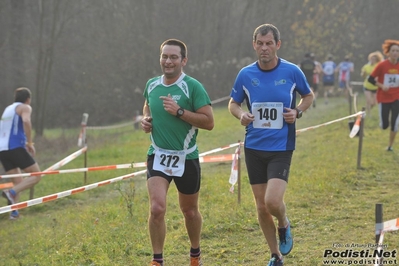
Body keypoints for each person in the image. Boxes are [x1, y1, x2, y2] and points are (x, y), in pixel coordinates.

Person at [228, 24, 314, 266]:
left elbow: (309, 96)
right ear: (254, 45)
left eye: (269, 43)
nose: (264, 48)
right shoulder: (245, 74)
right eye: (260, 43)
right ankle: (275, 255)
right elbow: (233, 103)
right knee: (261, 205)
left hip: (281, 146)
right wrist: (240, 115)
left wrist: (297, 111)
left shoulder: (292, 71)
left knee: (273, 202)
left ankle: (284, 223)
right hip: (254, 146)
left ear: (278, 44)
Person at [141, 39, 214, 266]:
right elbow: (147, 105)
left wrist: (180, 111)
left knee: (190, 212)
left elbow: (209, 122)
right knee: (156, 208)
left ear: (184, 60)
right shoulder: (152, 84)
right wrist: (147, 120)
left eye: (174, 57)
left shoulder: (192, 87)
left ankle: (195, 254)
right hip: (158, 155)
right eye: (165, 56)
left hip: (186, 157)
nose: (168, 61)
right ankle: (157, 260)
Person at [0, 87, 41, 220]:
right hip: (15, 147)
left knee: (18, 182)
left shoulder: (8, 109)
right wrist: (29, 143)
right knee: (36, 175)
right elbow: (26, 121)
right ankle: (10, 192)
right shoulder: (25, 107)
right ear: (28, 99)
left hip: (3, 150)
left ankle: (14, 213)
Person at [367, 39, 399, 151]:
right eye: (393, 50)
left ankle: (390, 146)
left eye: (397, 51)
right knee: (385, 125)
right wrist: (381, 85)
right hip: (383, 98)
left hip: (397, 97)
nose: (395, 53)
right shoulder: (382, 65)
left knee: (395, 123)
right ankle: (384, 124)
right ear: (388, 52)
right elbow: (370, 79)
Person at [360, 51, 384, 116]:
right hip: (367, 86)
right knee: (368, 100)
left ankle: (368, 108)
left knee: (374, 103)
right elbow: (362, 75)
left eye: (374, 59)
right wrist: (363, 74)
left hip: (375, 86)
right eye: (371, 59)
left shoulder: (378, 66)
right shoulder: (366, 66)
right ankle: (369, 114)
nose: (372, 60)